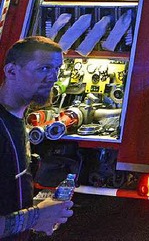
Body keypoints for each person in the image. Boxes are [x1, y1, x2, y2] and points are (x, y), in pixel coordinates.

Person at [0, 36, 74, 239]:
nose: (53, 77)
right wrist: (36, 216)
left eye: (57, 69)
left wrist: (42, 212)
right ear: (11, 71)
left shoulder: (16, 118)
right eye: (44, 68)